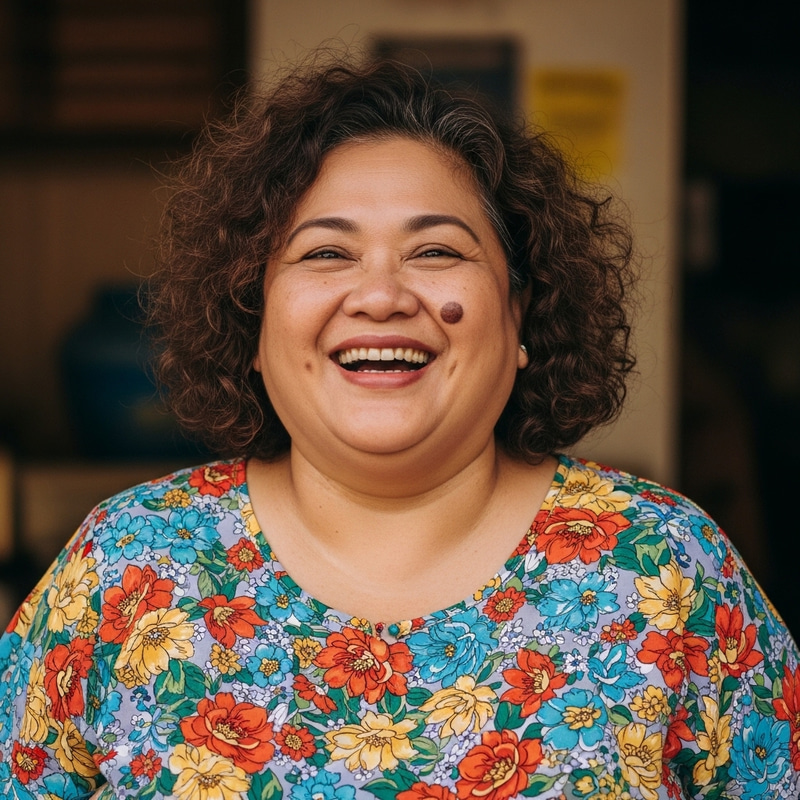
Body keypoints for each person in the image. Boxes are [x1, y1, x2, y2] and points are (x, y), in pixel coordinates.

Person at [1, 54, 798, 800]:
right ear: (252, 319)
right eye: (325, 255)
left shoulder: (666, 570)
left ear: (523, 312)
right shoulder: (124, 571)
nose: (381, 295)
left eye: (437, 250)